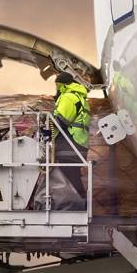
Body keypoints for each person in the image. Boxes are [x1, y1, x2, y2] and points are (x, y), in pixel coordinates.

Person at [49, 72, 90, 207]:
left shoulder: (68, 97)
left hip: (70, 145)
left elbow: (61, 121)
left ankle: (79, 205)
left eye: (58, 85)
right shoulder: (78, 96)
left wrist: (47, 130)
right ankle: (80, 203)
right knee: (72, 176)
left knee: (69, 177)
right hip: (77, 144)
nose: (56, 88)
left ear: (63, 84)